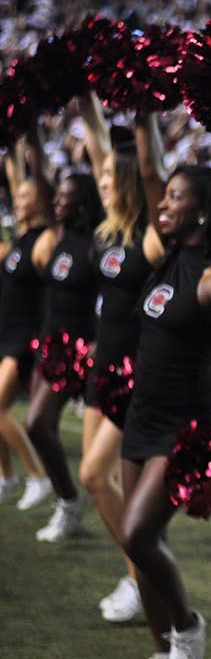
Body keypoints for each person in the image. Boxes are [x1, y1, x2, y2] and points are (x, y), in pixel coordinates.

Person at [119, 164, 211, 658]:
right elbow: (148, 170)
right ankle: (164, 649)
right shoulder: (167, 257)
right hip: (141, 417)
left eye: (176, 197)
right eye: (166, 195)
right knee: (146, 546)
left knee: (136, 536)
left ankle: (188, 628)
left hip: (186, 426)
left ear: (203, 210)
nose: (163, 204)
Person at [78, 90, 165, 623]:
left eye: (112, 175)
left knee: (94, 475)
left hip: (134, 375)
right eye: (102, 174)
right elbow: (94, 145)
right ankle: (137, 576)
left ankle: (143, 578)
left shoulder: (151, 237)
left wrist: (143, 104)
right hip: (101, 367)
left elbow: (153, 172)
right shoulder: (107, 229)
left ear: (130, 180)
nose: (103, 180)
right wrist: (84, 94)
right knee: (100, 483)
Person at [24, 125, 104, 542]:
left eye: (65, 196)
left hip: (74, 347)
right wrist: (32, 136)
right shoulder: (59, 236)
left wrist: (96, 341)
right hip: (48, 340)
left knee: (38, 422)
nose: (57, 201)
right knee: (38, 427)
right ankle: (67, 500)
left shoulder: (95, 243)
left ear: (82, 202)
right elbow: (40, 184)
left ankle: (69, 502)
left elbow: (110, 296)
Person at [0, 143, 52, 510]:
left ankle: (39, 476)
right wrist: (13, 139)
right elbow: (15, 172)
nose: (17, 200)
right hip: (5, 333)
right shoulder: (19, 237)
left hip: (25, 336)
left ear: (40, 200)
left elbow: (38, 181)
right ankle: (6, 477)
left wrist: (29, 140)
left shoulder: (44, 239)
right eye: (16, 196)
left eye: (24, 196)